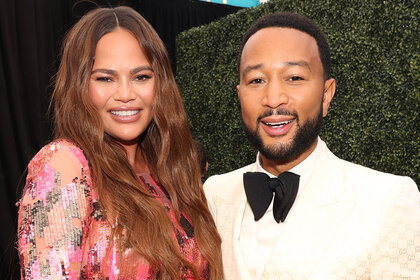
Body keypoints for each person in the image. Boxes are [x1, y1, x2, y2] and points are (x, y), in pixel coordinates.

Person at [204, 12, 420, 280]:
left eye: (294, 77)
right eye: (257, 80)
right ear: (240, 95)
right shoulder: (212, 194)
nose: (273, 99)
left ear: (326, 94)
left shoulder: (389, 200)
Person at [17, 6, 222, 279]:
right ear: (79, 86)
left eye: (141, 77)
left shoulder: (172, 171)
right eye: (105, 78)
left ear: (159, 84)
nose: (125, 94)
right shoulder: (64, 165)